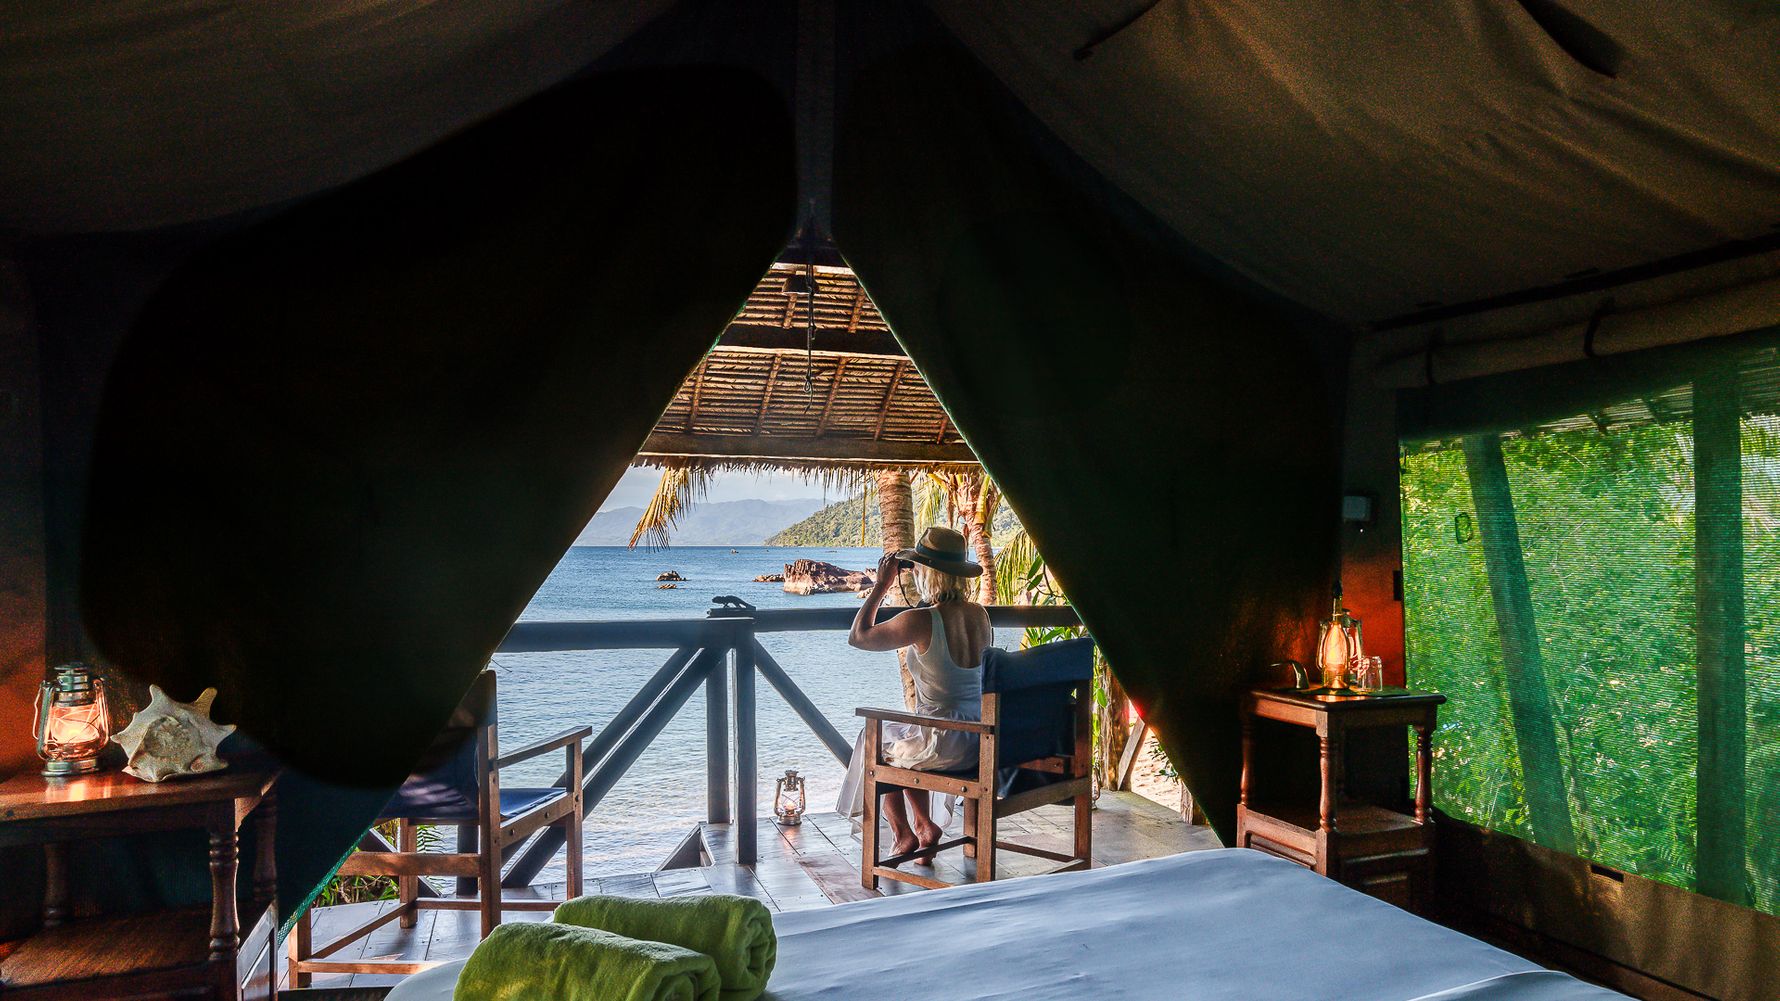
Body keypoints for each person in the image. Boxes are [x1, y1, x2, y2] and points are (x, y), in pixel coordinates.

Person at [834, 526, 993, 865]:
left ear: (926, 572)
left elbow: (859, 636)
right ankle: (923, 826)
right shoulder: (980, 615)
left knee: (873, 738)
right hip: (981, 737)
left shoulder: (921, 620)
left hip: (946, 742)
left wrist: (881, 585)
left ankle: (904, 832)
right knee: (902, 736)